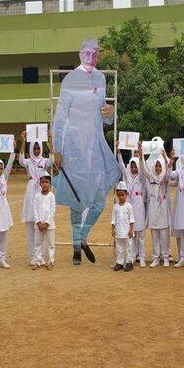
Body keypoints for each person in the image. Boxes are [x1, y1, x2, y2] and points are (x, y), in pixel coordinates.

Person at [52, 39, 122, 265]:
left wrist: (110, 114)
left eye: (95, 53)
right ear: (80, 54)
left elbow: (106, 118)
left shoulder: (101, 79)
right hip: (72, 147)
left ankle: (82, 236)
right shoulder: (70, 80)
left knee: (99, 200)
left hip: (94, 146)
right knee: (75, 201)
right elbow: (60, 117)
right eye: (87, 52)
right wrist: (57, 150)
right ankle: (75, 248)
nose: (91, 56)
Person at [18, 132, 54, 264]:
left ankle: (42, 255)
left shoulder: (44, 161)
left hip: (42, 189)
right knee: (31, 223)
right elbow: (20, 160)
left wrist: (50, 141)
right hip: (31, 190)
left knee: (42, 220)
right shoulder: (28, 161)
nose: (37, 150)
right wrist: (23, 141)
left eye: (38, 148)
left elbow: (52, 160)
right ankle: (32, 256)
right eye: (34, 148)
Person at [138, 145, 171, 268]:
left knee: (164, 234)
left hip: (162, 207)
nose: (157, 168)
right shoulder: (150, 177)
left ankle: (165, 257)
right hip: (153, 207)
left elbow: (169, 171)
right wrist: (141, 156)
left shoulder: (165, 178)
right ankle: (156, 258)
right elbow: (143, 170)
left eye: (159, 166)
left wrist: (166, 157)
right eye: (156, 166)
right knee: (155, 234)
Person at [118, 154, 147, 267]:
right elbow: (121, 166)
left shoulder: (141, 176)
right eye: (132, 167)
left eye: (136, 167)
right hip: (129, 205)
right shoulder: (128, 176)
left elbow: (143, 168)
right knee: (132, 234)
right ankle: (133, 256)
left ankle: (142, 257)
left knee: (141, 234)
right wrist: (119, 152)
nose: (134, 169)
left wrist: (140, 157)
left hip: (139, 205)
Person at [31, 172, 56, 270]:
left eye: (47, 182)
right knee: (37, 243)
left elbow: (52, 210)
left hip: (49, 225)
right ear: (40, 183)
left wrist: (46, 223)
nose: (45, 184)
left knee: (51, 244)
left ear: (49, 183)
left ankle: (50, 261)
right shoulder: (37, 196)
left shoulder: (51, 196)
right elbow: (34, 210)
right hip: (38, 225)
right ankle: (38, 261)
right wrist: (38, 223)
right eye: (43, 182)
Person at [111, 181, 135, 272]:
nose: (121, 197)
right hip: (118, 231)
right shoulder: (115, 206)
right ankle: (120, 262)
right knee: (119, 247)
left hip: (127, 231)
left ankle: (129, 262)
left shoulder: (129, 206)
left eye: (122, 195)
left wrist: (131, 230)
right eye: (119, 195)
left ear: (126, 194)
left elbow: (132, 219)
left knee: (128, 247)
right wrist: (113, 229)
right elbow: (113, 219)